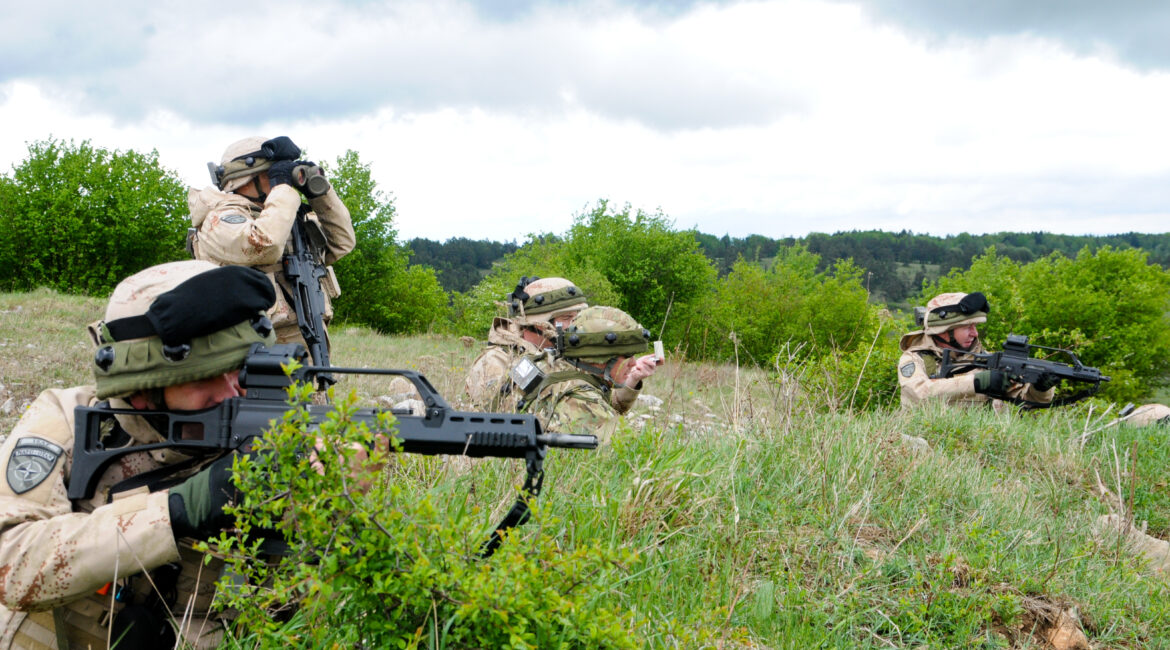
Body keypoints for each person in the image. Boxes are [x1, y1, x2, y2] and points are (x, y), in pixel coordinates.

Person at [0, 260, 279, 648]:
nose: (234, 394)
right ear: (143, 388)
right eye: (204, 379)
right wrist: (179, 509)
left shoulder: (276, 433)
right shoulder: (67, 419)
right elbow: (12, 565)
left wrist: (332, 499)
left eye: (243, 371)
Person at [187, 135, 355, 356]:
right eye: (273, 172)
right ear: (247, 178)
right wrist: (283, 190)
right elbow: (264, 245)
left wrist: (320, 194)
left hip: (307, 349)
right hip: (253, 354)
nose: (283, 180)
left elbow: (342, 243)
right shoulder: (220, 219)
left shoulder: (283, 216)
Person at [518, 306, 661, 442]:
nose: (633, 363)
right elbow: (626, 456)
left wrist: (634, 378)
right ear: (600, 357)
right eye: (627, 356)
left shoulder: (541, 365)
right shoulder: (586, 404)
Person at [898, 291, 1055, 409]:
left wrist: (1041, 388)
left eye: (975, 326)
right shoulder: (915, 359)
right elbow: (918, 395)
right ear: (945, 331)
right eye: (967, 327)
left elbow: (1027, 402)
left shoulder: (985, 360)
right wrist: (977, 382)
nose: (975, 333)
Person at [463, 276, 592, 412]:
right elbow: (491, 417)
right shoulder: (496, 362)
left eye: (577, 317)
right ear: (541, 324)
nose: (576, 324)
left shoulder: (563, 352)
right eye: (567, 318)